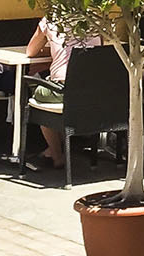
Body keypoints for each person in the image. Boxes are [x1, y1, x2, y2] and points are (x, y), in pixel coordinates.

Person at [24, 15, 103, 171]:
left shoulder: (51, 20)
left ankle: (57, 154)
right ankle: (53, 148)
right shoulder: (95, 20)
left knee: (37, 89)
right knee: (53, 88)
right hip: (94, 92)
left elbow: (30, 51)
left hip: (64, 90)